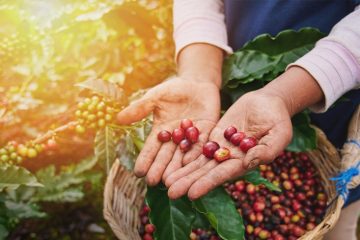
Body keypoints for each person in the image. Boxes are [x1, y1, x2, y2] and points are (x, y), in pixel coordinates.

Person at [117, 1, 360, 239]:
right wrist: (199, 74)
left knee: (337, 219)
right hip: (237, 72)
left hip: (334, 99)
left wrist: (284, 95)